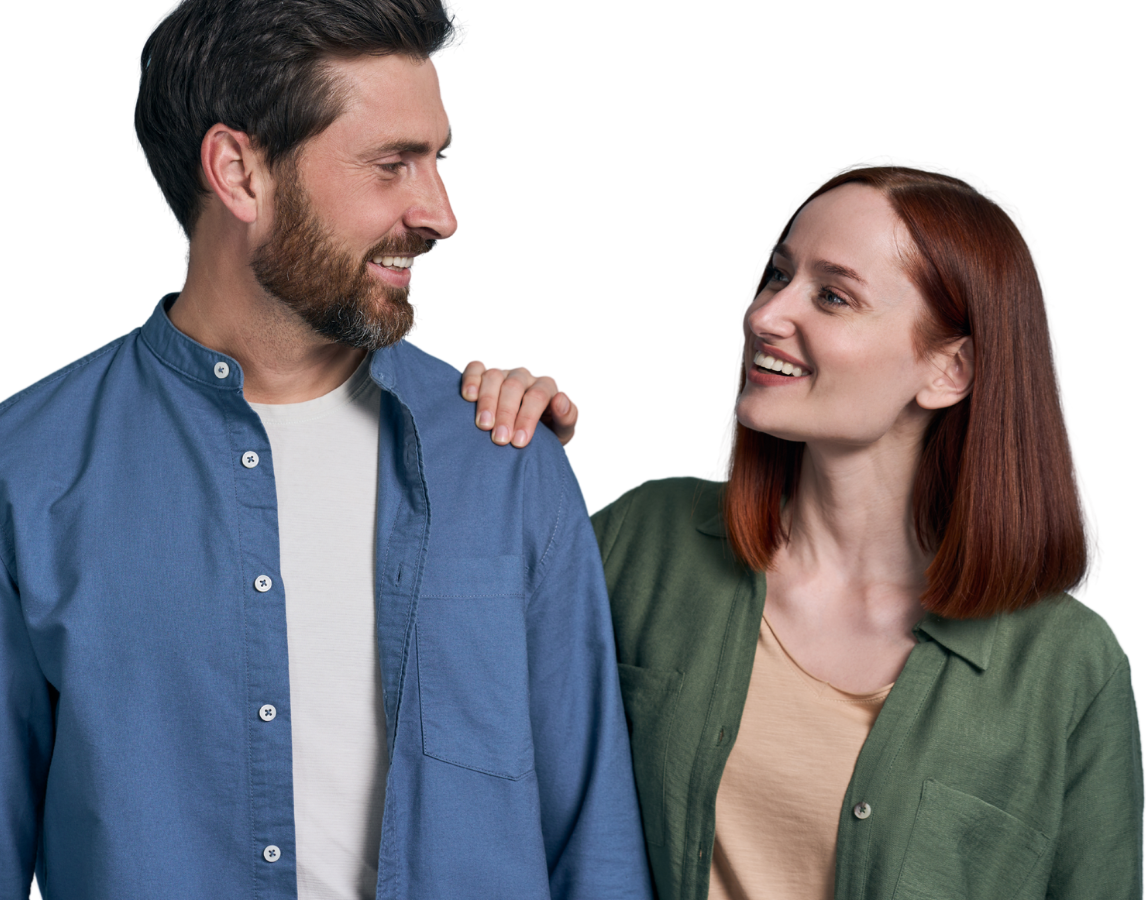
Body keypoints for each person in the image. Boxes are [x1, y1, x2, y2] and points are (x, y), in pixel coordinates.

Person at [0, 0, 652, 900]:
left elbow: (594, 852)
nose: (441, 212)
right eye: (393, 164)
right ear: (239, 172)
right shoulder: (12, 476)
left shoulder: (503, 453)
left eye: (439, 159)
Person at [460, 157, 1144, 899]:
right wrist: (510, 474)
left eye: (831, 295)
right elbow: (455, 703)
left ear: (949, 370)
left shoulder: (1069, 667)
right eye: (775, 276)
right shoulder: (643, 538)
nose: (764, 315)